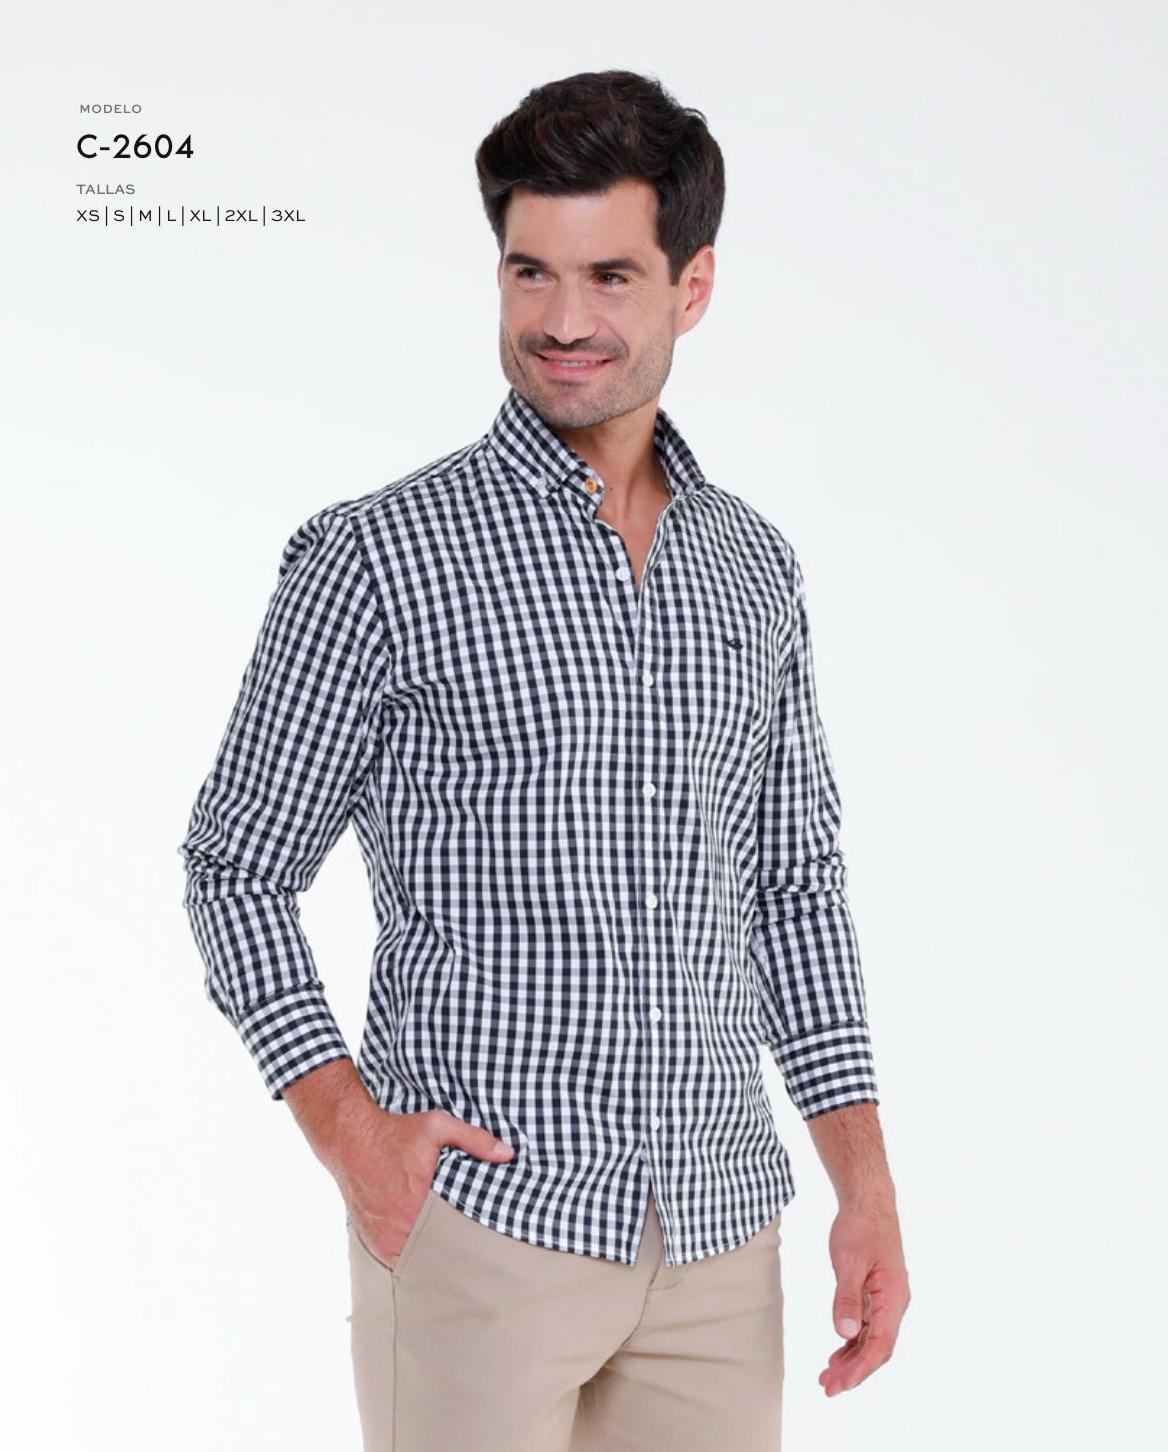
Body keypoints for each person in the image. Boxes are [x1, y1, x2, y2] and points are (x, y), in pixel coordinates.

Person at [177, 67, 910, 1452]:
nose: (563, 322)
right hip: (480, 1227)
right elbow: (235, 869)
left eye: (611, 277)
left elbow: (795, 889)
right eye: (531, 273)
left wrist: (862, 1188)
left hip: (717, 1233)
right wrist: (349, 1132)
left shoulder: (753, 570)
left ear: (694, 286)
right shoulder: (378, 558)